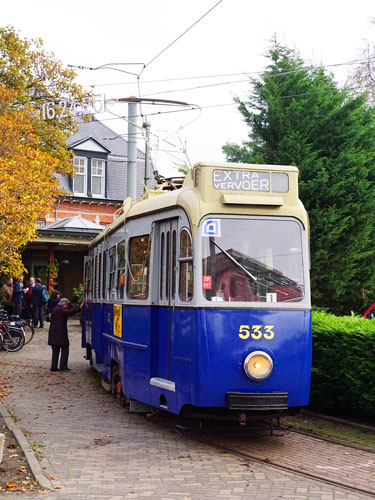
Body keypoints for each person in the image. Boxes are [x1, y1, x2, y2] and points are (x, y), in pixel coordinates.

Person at [48, 298, 83, 372]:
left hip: (53, 333)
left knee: (55, 350)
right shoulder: (61, 310)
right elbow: (70, 312)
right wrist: (79, 307)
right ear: (64, 304)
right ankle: (63, 366)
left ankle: (54, 366)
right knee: (65, 348)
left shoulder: (55, 309)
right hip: (60, 334)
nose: (67, 307)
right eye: (67, 305)